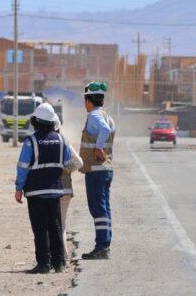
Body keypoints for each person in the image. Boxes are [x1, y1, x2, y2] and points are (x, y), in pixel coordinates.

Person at [15, 103, 72, 274]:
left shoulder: (31, 141)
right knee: (55, 226)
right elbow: (68, 163)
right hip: (55, 190)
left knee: (40, 229)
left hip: (35, 192)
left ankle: (43, 263)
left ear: (36, 121)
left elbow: (23, 167)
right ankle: (59, 263)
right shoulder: (62, 140)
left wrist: (19, 188)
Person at [79, 81, 116, 260]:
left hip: (96, 169)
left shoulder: (94, 116)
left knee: (98, 208)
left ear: (88, 100)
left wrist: (98, 147)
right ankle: (105, 243)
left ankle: (101, 246)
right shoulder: (106, 115)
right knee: (104, 208)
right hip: (106, 169)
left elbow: (105, 129)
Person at [57, 116, 83, 255]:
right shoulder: (64, 141)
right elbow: (78, 163)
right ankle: (64, 255)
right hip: (66, 189)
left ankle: (63, 256)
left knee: (56, 225)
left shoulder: (40, 142)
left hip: (53, 190)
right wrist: (66, 170)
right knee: (61, 224)